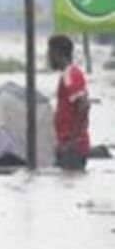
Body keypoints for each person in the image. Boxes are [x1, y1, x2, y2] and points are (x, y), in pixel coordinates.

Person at [48, 35, 90, 171]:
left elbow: (84, 105)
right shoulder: (69, 74)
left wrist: (72, 141)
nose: (48, 58)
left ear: (57, 53)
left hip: (72, 147)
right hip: (67, 144)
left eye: (50, 53)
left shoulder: (70, 75)